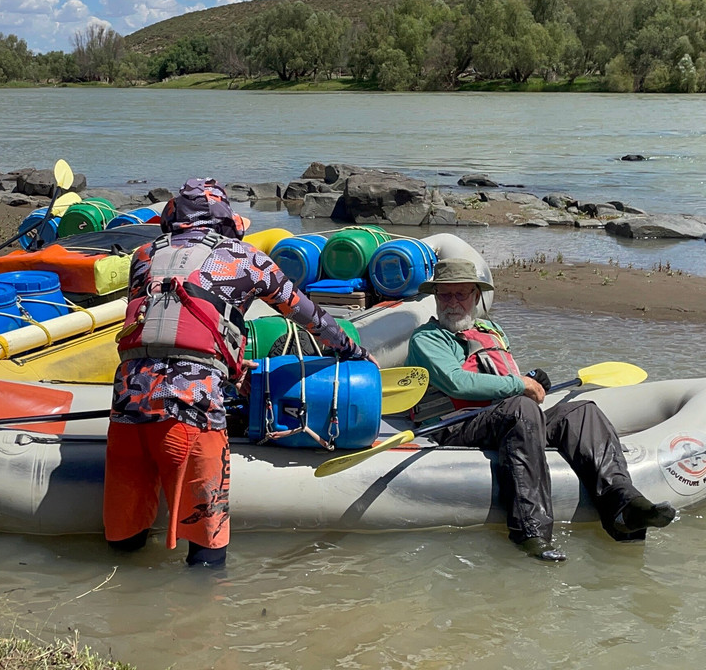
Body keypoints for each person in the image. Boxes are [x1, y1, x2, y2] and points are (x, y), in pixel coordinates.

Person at [105, 178, 375, 568]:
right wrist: (353, 351)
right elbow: (308, 316)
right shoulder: (246, 258)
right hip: (191, 410)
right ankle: (202, 616)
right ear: (226, 222)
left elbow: (163, 328)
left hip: (127, 404)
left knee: (123, 544)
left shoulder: (144, 256)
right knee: (206, 549)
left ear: (172, 219)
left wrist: (228, 368)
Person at [405, 257, 676, 562]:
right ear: (435, 297)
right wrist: (519, 386)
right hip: (455, 424)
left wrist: (532, 379)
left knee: (583, 411)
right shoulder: (427, 338)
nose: (453, 302)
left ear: (476, 297)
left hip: (501, 416)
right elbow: (458, 384)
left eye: (461, 294)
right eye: (445, 294)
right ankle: (530, 532)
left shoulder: (491, 330)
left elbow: (500, 377)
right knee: (521, 409)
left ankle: (623, 507)